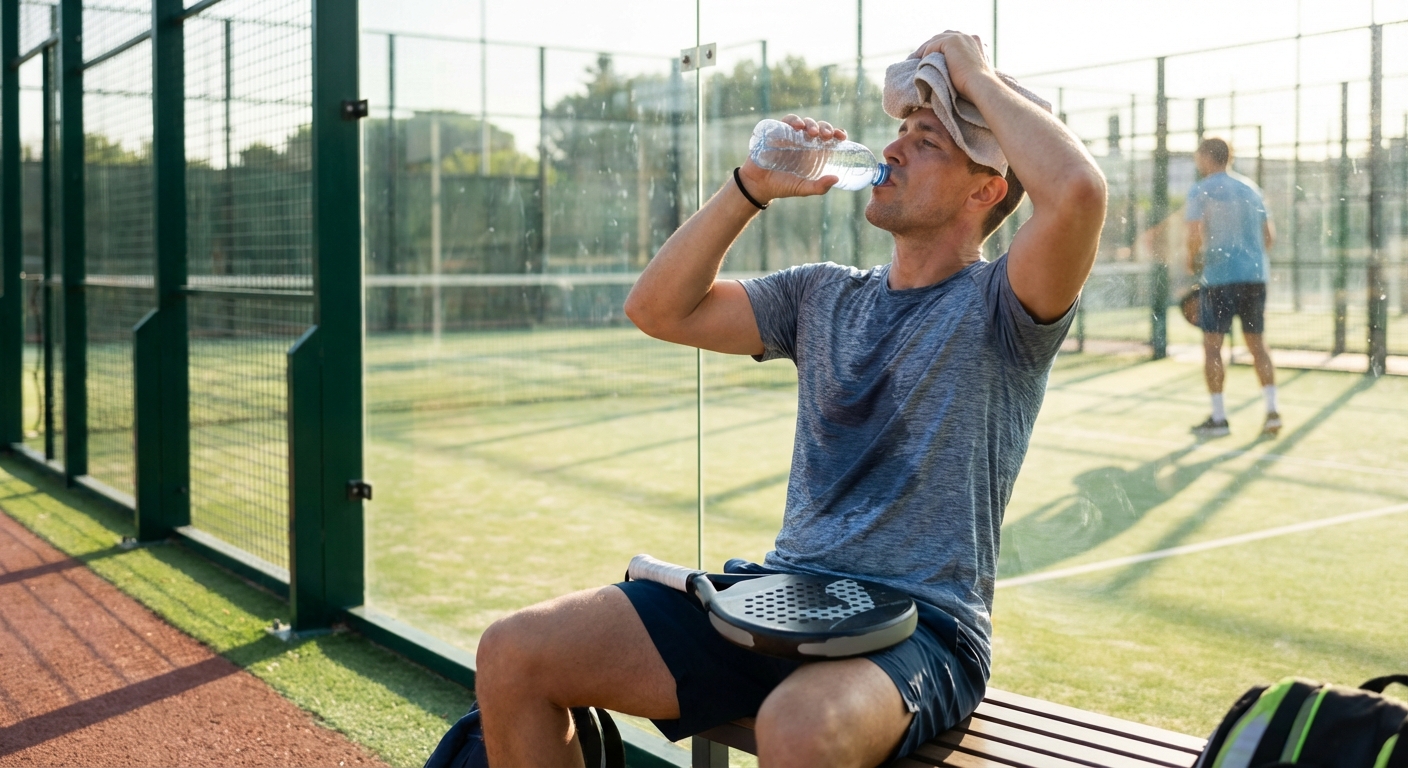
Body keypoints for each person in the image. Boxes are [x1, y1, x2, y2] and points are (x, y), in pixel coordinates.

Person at [473, 31, 1106, 768]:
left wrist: (973, 72)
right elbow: (657, 308)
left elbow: (1078, 193)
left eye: (925, 141)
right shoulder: (822, 294)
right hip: (777, 597)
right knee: (513, 652)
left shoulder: (1004, 305)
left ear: (985, 189)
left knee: (798, 728)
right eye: (899, 131)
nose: (893, 150)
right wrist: (749, 187)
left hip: (922, 627)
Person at [1185, 138, 1280, 438]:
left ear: (1204, 157)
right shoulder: (1252, 189)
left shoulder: (1201, 189)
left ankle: (1219, 418)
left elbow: (1194, 235)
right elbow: (1269, 237)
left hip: (1219, 280)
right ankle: (1272, 412)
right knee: (1257, 345)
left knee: (1213, 347)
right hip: (1254, 277)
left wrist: (1193, 261)